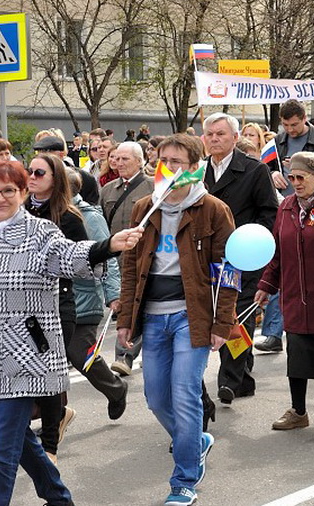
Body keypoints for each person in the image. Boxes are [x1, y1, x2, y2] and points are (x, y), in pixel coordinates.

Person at [0, 160, 141, 505]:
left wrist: (110, 246)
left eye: (9, 190)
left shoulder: (41, 232)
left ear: (23, 192)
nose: (0, 198)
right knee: (20, 440)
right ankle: (59, 498)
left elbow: (73, 256)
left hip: (25, 357)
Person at [117, 134, 236, 506]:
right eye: (163, 159)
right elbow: (131, 265)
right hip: (152, 317)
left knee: (185, 394)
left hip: (192, 315)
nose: (168, 167)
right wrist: (124, 316)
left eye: (177, 161)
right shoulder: (142, 208)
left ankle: (183, 480)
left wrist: (221, 324)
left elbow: (228, 271)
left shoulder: (212, 209)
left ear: (195, 167)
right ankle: (196, 441)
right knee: (155, 396)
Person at [254, 152, 314, 430]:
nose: (295, 182)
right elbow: (277, 251)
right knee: (297, 351)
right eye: (291, 177)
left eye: (301, 177)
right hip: (294, 291)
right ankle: (299, 410)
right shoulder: (287, 206)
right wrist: (266, 285)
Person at [202, 112, 279, 405]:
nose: (214, 139)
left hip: (243, 256)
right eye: (209, 134)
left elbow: (268, 213)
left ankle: (229, 379)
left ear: (235, 138)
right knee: (216, 313)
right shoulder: (198, 172)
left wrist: (254, 241)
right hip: (209, 256)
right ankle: (244, 377)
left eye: (220, 134)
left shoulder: (254, 170)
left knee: (236, 316)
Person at [24, 153, 87, 462]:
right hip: (20, 309)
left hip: (56, 307)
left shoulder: (68, 217)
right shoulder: (17, 212)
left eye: (39, 172)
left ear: (55, 179)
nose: (31, 176)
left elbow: (83, 261)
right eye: (29, 171)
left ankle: (49, 446)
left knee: (47, 377)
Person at [66, 169, 128, 419]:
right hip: (50, 300)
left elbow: (108, 255)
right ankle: (55, 416)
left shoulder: (88, 216)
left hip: (82, 299)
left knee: (80, 354)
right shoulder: (38, 213)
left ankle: (115, 389)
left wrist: (114, 293)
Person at [99, 142, 154, 376]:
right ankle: (124, 356)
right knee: (124, 305)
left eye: (125, 159)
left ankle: (126, 355)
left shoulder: (152, 187)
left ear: (140, 161)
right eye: (116, 159)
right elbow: (101, 221)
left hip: (144, 257)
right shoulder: (108, 190)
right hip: (116, 258)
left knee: (142, 305)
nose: (119, 163)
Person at [268, 100, 314, 197]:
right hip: (285, 202)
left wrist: (303, 168)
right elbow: (265, 167)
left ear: (304, 118)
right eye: (285, 125)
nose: (290, 129)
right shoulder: (277, 141)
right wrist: (272, 174)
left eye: (294, 125)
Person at [34, 135, 100, 205]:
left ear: (61, 155)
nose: (43, 157)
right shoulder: (34, 176)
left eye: (48, 152)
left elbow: (92, 207)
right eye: (40, 152)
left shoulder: (84, 178)